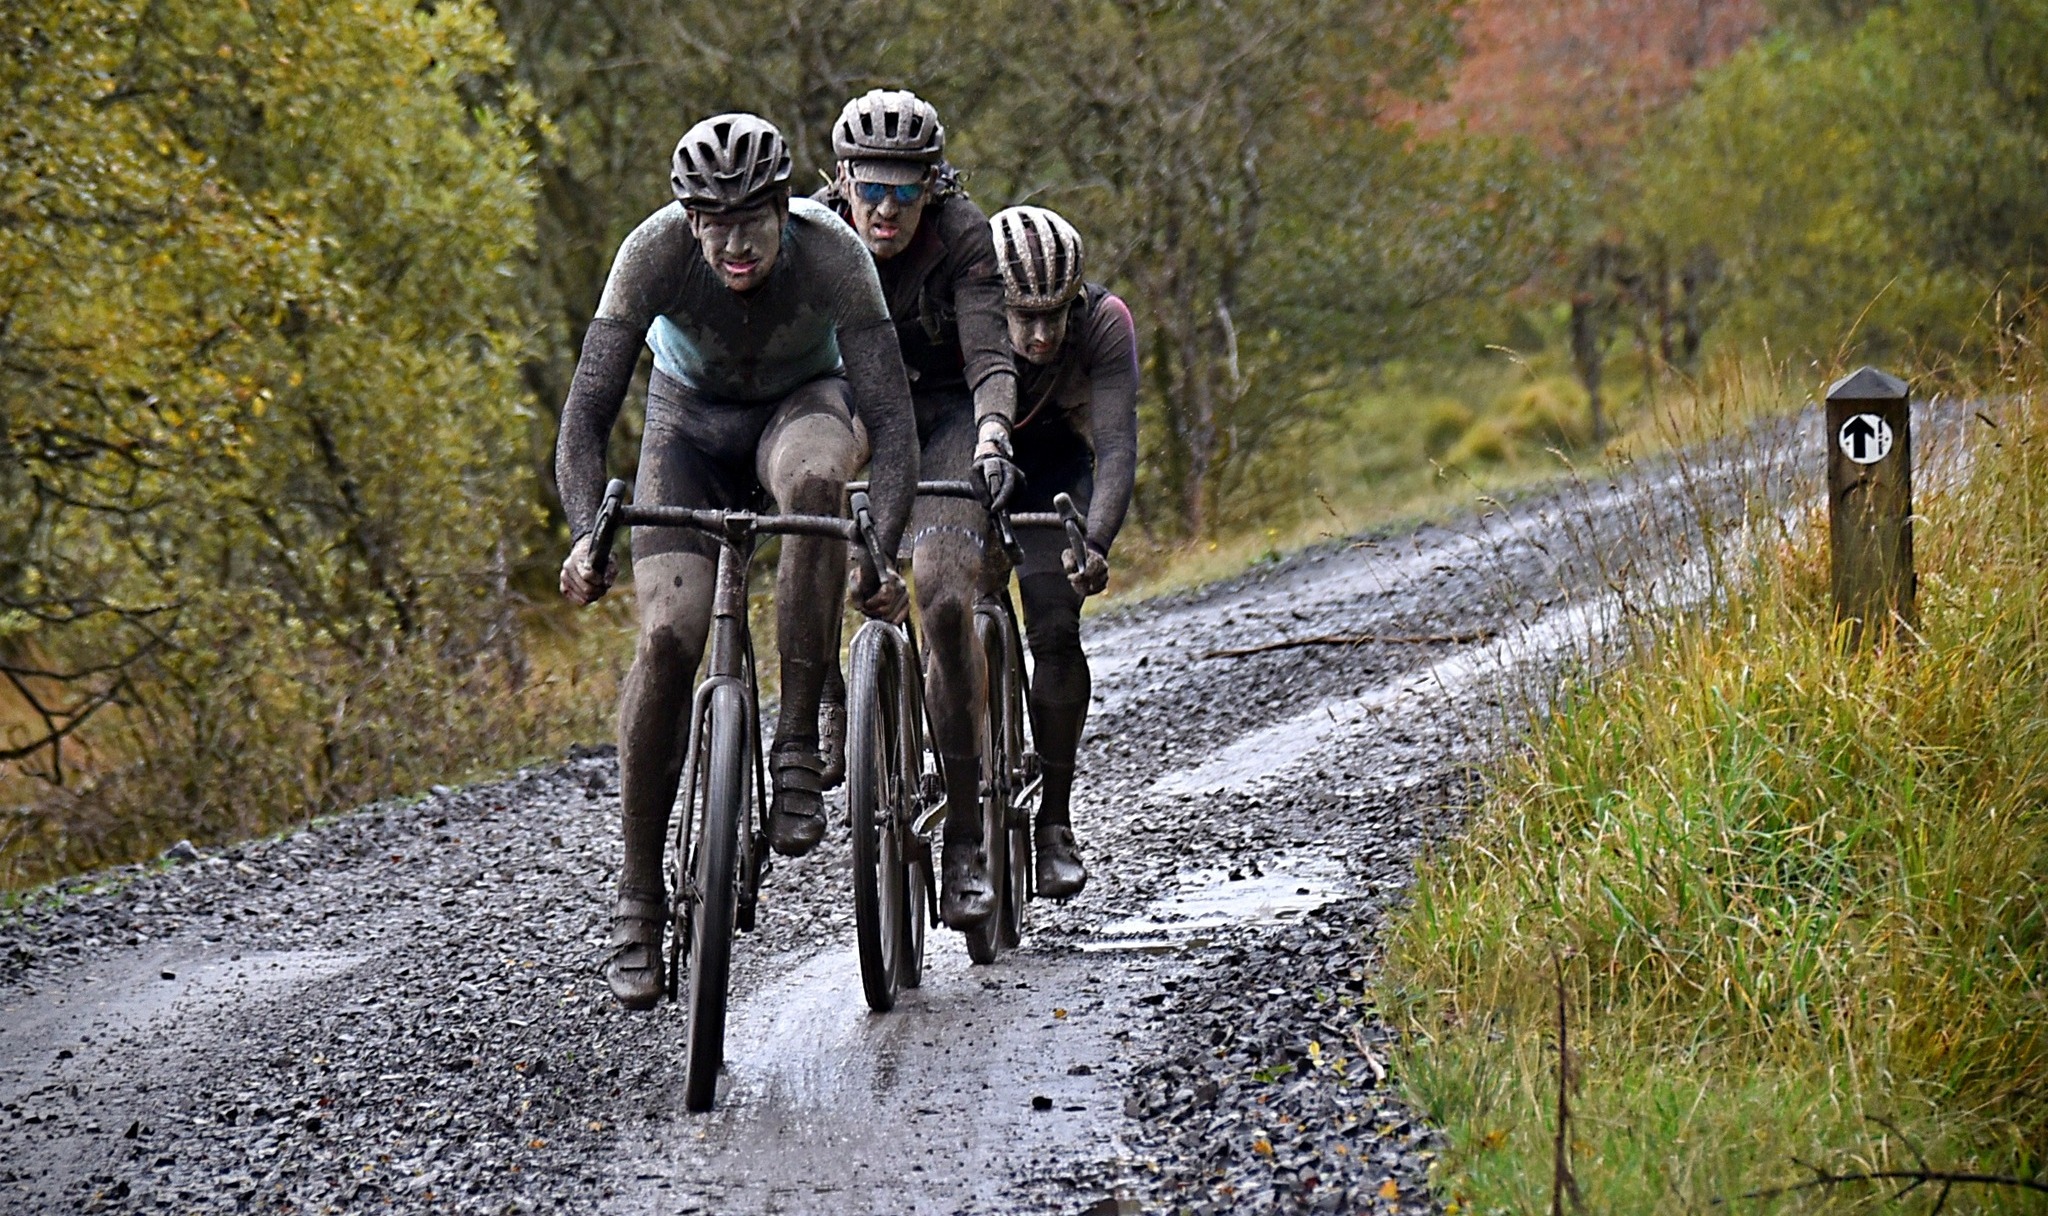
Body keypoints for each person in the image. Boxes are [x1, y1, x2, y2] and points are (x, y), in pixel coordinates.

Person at [554, 113, 917, 1010]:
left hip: (802, 406)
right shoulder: (651, 254)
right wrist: (581, 532)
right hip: (689, 426)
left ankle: (796, 744)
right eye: (711, 224)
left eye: (751, 219)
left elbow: (896, 424)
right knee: (670, 638)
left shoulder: (832, 251)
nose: (734, 242)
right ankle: (639, 897)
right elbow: (585, 419)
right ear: (685, 218)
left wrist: (881, 545)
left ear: (783, 208)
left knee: (817, 484)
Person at [818, 89, 1020, 931]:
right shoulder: (814, 235)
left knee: (940, 593)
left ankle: (968, 833)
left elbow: (989, 356)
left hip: (940, 424)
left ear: (933, 186)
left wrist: (995, 433)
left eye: (907, 189)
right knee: (810, 503)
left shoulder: (966, 238)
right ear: (843, 181)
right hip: (857, 409)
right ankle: (827, 699)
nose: (887, 207)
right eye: (873, 187)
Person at [986, 205, 1138, 898]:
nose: (1042, 334)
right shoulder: (962, 312)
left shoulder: (1106, 322)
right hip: (972, 459)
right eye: (1025, 317)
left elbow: (1115, 447)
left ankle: (1054, 821)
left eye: (1056, 315)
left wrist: (1094, 542)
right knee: (946, 600)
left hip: (1056, 472)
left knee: (1053, 625)